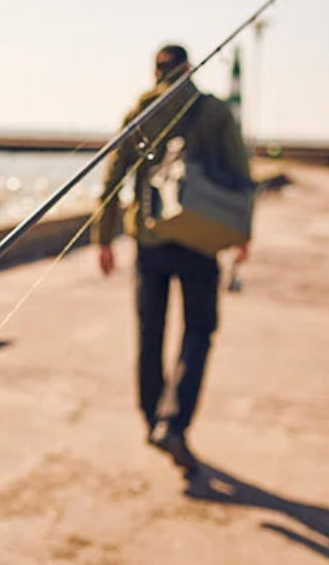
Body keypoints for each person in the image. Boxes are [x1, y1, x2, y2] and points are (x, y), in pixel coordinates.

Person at [92, 44, 251, 472]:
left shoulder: (140, 111)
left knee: (150, 331)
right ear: (188, 68)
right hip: (201, 239)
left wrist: (103, 238)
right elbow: (241, 174)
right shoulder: (214, 111)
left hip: (152, 240)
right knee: (199, 329)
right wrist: (243, 235)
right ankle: (174, 422)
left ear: (155, 72)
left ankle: (152, 420)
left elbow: (113, 178)